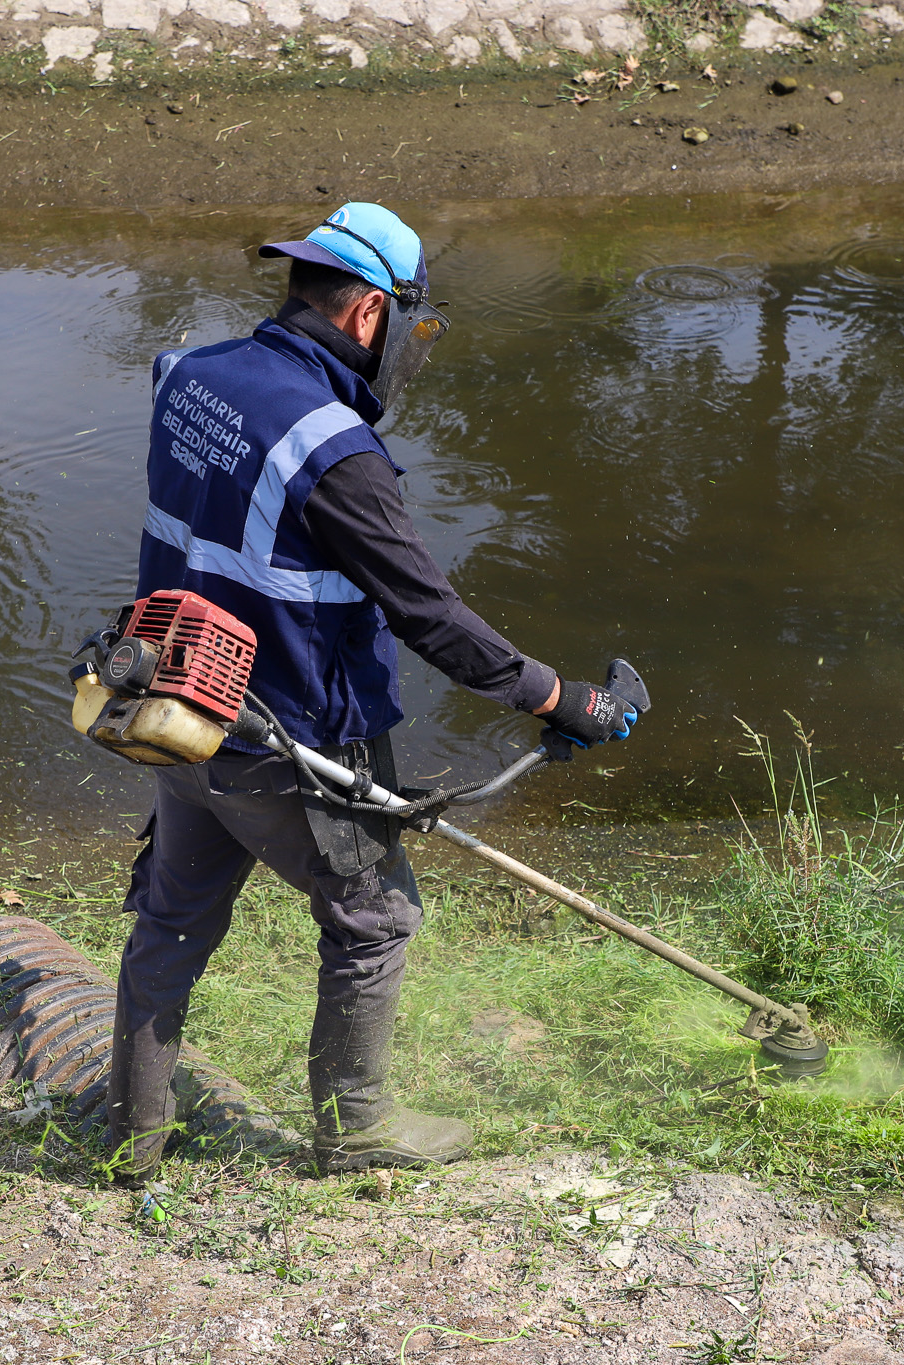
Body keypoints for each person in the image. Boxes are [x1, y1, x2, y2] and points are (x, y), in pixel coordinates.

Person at [105, 202, 639, 1181]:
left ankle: (129, 1140)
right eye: (414, 328)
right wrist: (557, 697)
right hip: (292, 739)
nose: (413, 349)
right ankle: (354, 1131)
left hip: (171, 708)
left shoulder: (188, 373)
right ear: (368, 319)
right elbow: (429, 616)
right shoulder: (334, 453)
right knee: (373, 921)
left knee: (173, 923)